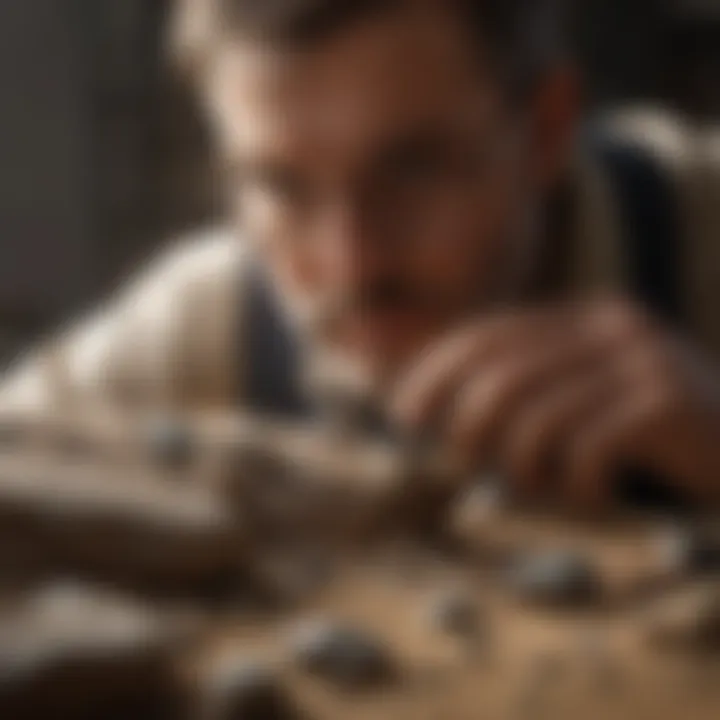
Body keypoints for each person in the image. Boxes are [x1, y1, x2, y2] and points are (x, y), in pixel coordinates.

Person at [1, 0, 719, 508]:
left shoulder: (698, 224)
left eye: (415, 169)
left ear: (545, 131)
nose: (352, 263)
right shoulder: (214, 313)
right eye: (281, 187)